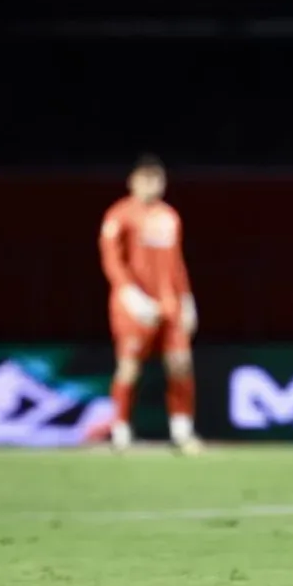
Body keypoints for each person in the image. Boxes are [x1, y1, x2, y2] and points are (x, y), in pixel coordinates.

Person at [99, 154, 202, 454]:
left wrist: (186, 298)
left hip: (169, 304)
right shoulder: (119, 215)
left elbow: (176, 263)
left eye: (157, 178)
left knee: (181, 364)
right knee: (129, 368)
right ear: (132, 181)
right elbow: (111, 260)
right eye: (145, 178)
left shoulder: (169, 216)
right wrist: (131, 295)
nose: (151, 184)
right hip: (133, 306)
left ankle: (182, 432)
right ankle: (120, 431)